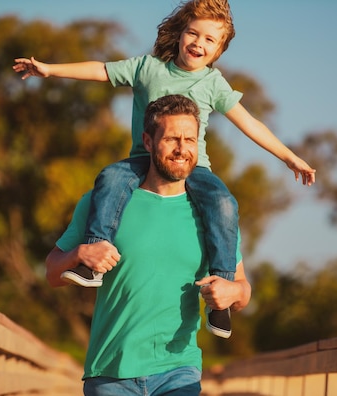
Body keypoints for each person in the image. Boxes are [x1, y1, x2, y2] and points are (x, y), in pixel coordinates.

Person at [14, 0, 314, 338]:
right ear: (181, 32)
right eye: (193, 33)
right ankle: (92, 258)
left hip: (194, 166)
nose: (199, 44)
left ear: (219, 50)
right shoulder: (148, 68)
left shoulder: (213, 84)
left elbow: (250, 123)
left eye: (210, 40)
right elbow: (101, 70)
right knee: (110, 178)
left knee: (224, 203)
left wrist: (290, 157)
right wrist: (50, 70)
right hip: (144, 158)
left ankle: (221, 295)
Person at [46, 95, 251, 396]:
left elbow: (243, 291)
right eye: (171, 139)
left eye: (190, 140)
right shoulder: (101, 203)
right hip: (110, 374)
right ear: (148, 141)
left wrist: (233, 291)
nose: (182, 149)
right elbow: (52, 272)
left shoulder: (215, 216)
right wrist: (79, 254)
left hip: (179, 372)